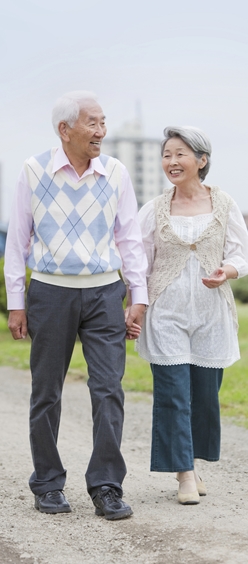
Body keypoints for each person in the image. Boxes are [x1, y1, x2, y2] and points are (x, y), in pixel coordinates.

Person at [4, 91, 148, 520]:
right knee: (46, 392)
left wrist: (137, 296)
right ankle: (47, 483)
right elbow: (18, 241)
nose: (101, 131)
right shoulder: (34, 171)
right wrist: (16, 302)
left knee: (109, 390)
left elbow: (129, 239)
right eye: (92, 123)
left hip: (105, 292)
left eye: (103, 122)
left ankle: (107, 485)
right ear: (64, 130)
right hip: (50, 292)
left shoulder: (117, 173)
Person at [136, 126, 248, 504]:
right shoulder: (153, 209)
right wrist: (134, 304)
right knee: (172, 394)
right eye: (167, 154)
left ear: (201, 161)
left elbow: (241, 255)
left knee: (205, 396)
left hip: (211, 313)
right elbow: (138, 263)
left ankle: (192, 461)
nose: (171, 161)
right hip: (166, 312)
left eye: (180, 154)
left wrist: (227, 271)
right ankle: (184, 474)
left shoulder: (224, 204)